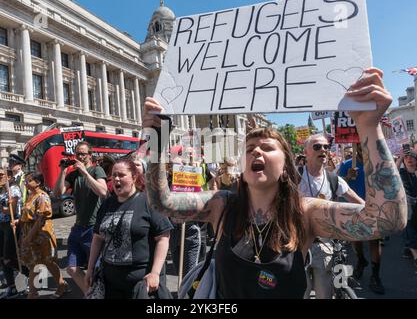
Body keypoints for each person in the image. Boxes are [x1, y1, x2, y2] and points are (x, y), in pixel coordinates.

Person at [142, 67, 406, 298]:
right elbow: (162, 203)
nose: (256, 151)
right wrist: (156, 137)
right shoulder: (221, 204)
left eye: (267, 147)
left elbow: (386, 220)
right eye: (249, 149)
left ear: (286, 165)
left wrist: (370, 127)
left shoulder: (306, 212)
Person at [85, 159, 172, 298]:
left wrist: (155, 273)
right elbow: (97, 237)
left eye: (121, 175)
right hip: (110, 285)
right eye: (114, 175)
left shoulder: (148, 202)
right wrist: (90, 269)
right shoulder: (107, 204)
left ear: (134, 177)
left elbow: (163, 237)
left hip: (140, 285)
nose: (116, 179)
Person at [299, 134, 364, 299]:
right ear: (305, 152)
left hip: (325, 246)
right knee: (301, 293)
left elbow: (359, 204)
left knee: (324, 295)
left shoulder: (334, 180)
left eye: (326, 147)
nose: (323, 150)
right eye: (317, 147)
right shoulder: (293, 177)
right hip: (297, 246)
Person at [53, 141, 108, 294]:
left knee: (96, 270)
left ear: (90, 155)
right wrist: (63, 171)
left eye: (83, 153)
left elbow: (103, 191)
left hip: (93, 228)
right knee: (71, 268)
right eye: (77, 153)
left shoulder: (97, 170)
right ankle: (91, 294)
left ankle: (97, 294)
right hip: (78, 227)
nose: (80, 156)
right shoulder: (73, 174)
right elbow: (58, 193)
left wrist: (85, 172)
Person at [339, 143, 385, 294]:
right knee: (355, 240)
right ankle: (361, 260)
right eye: (358, 145)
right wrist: (347, 177)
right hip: (353, 210)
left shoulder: (376, 162)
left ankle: (376, 276)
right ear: (356, 147)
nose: (361, 149)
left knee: (374, 240)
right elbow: (335, 185)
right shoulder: (347, 164)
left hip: (374, 208)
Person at [13, 172, 68, 299]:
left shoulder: (42, 197)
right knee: (34, 263)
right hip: (30, 233)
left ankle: (55, 287)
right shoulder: (31, 195)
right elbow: (27, 215)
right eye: (26, 180)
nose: (26, 183)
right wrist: (18, 221)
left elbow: (40, 219)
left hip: (41, 234)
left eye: (29, 180)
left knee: (48, 262)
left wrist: (29, 237)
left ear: (38, 183)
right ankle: (35, 292)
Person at [0, 169, 22, 299]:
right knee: (1, 257)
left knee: (10, 258)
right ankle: (11, 287)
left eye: (1, 175)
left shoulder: (13, 190)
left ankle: (30, 277)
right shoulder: (0, 190)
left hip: (10, 225)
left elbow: (10, 211)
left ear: (9, 177)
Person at [397, 149, 417, 265]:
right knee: (409, 229)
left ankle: (410, 247)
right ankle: (415, 255)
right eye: (406, 157)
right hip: (406, 205)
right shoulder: (401, 173)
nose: (409, 159)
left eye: (412, 157)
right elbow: (393, 171)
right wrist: (400, 158)